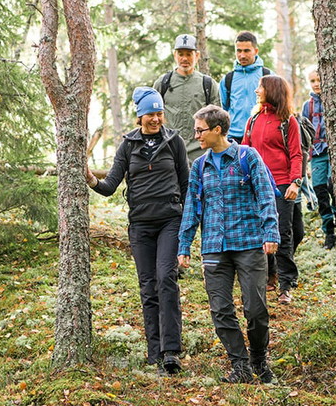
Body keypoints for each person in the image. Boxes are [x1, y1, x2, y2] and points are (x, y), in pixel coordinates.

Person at [86, 87, 188, 376]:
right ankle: (154, 352)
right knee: (148, 287)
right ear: (139, 115)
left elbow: (187, 184)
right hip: (141, 225)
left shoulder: (174, 141)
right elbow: (109, 187)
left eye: (159, 113)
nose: (155, 119)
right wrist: (91, 178)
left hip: (170, 221)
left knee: (166, 279)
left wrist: (188, 223)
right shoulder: (128, 146)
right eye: (150, 114)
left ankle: (172, 352)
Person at [177, 105, 280, 384]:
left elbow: (266, 196)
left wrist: (271, 231)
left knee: (256, 309)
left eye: (200, 130)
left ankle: (259, 358)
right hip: (213, 246)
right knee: (220, 309)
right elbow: (192, 208)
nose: (196, 135)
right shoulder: (199, 165)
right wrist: (184, 245)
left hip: (249, 243)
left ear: (217, 130)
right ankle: (240, 364)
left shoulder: (248, 157)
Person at [242, 75, 303, 304]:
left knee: (283, 234)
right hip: (258, 185)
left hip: (282, 185)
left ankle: (286, 285)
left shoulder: (288, 121)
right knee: (261, 231)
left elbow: (296, 154)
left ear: (272, 90)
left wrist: (295, 182)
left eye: (261, 87)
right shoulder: (253, 119)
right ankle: (269, 275)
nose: (257, 90)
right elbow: (245, 152)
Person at [154, 34, 219, 162]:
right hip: (169, 151)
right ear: (175, 55)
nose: (184, 58)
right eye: (181, 54)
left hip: (200, 154)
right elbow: (151, 117)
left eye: (189, 54)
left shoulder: (207, 84)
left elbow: (217, 122)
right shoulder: (162, 83)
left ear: (197, 56)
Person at [300, 70, 336, 250]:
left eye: (319, 79)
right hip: (316, 153)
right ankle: (329, 230)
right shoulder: (308, 106)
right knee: (319, 189)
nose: (316, 84)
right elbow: (304, 134)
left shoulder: (335, 100)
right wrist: (304, 159)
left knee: (333, 185)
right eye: (312, 81)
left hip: (334, 151)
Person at [219, 31, 271, 144]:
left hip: (261, 135)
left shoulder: (268, 76)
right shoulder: (228, 79)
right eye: (239, 51)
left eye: (247, 51)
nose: (242, 55)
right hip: (233, 138)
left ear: (256, 51)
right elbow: (222, 109)